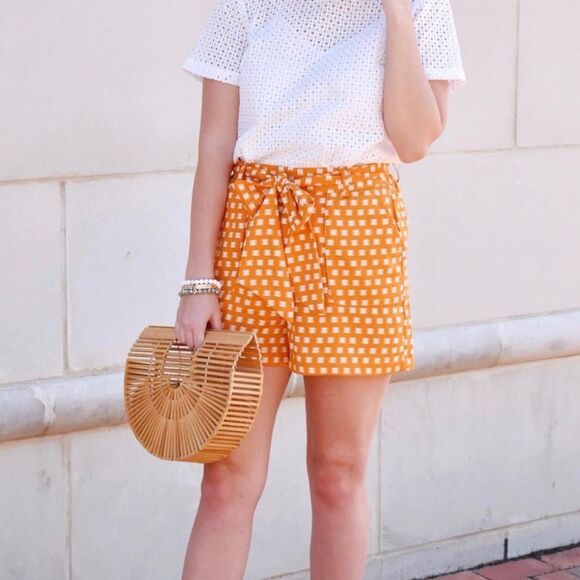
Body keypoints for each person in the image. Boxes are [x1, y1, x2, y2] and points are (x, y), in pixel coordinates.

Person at [176, 0, 466, 577]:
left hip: (357, 242)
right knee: (225, 477)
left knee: (337, 474)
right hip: (252, 236)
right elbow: (214, 144)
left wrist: (397, 15)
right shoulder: (245, 6)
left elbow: (415, 141)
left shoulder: (423, 8)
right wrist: (198, 281)